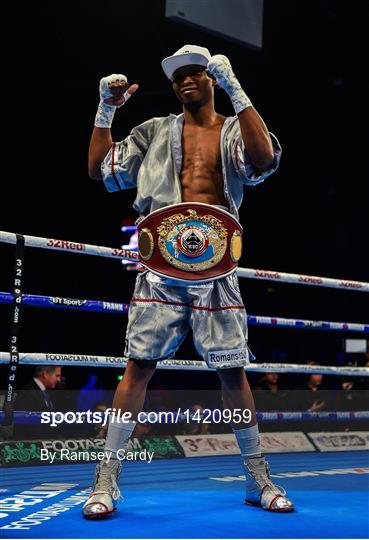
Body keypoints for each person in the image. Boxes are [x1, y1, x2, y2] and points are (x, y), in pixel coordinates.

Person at [82, 44, 294, 518]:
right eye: (178, 76)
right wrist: (106, 109)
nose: (185, 80)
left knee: (233, 372)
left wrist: (239, 92)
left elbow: (264, 161)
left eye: (196, 72)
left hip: (217, 268)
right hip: (158, 266)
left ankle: (256, 476)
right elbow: (99, 170)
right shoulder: (153, 130)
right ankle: (105, 479)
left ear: (214, 79)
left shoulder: (236, 130)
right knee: (138, 367)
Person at [14, 366, 62, 439]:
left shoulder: (44, 392)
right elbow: (24, 427)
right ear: (45, 374)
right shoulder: (28, 392)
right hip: (34, 445)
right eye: (57, 375)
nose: (59, 380)